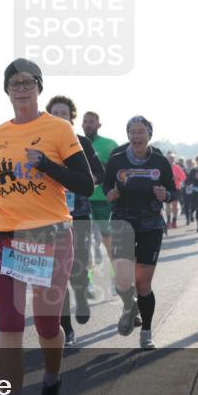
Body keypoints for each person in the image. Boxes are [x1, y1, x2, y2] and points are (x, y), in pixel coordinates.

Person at [0, 58, 93, 395]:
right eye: (14, 82)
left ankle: (52, 380)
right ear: (6, 89)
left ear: (39, 87)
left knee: (46, 325)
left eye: (28, 82)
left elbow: (86, 184)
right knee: (9, 323)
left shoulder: (58, 129)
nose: (21, 88)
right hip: (4, 234)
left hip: (50, 235)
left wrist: (47, 165)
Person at [103, 116, 176, 350]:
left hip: (151, 225)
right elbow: (106, 186)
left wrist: (166, 195)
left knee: (143, 283)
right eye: (132, 132)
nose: (136, 136)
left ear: (149, 135)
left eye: (141, 132)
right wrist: (110, 194)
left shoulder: (160, 162)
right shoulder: (116, 160)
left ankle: (146, 332)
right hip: (123, 223)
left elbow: (173, 190)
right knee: (123, 282)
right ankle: (128, 305)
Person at [45, 96, 102, 347]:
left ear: (71, 118)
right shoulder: (40, 142)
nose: (59, 117)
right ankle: (65, 328)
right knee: (56, 275)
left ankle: (81, 293)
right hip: (48, 216)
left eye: (64, 113)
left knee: (76, 268)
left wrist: (83, 179)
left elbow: (99, 173)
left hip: (77, 214)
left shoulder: (82, 143)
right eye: (54, 113)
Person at [80, 111, 117, 285]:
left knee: (108, 240)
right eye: (85, 122)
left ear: (99, 125)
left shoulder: (109, 144)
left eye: (92, 122)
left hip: (103, 200)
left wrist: (100, 164)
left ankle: (115, 275)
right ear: (81, 125)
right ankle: (88, 282)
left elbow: (117, 170)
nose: (88, 125)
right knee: (85, 245)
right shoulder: (74, 142)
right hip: (82, 200)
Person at [184, 155, 198, 232]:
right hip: (195, 192)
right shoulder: (194, 170)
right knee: (197, 209)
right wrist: (186, 182)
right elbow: (188, 181)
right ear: (196, 161)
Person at [166, 152, 185, 229]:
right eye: (169, 159)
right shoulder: (164, 167)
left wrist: (177, 178)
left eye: (172, 159)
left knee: (174, 205)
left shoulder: (177, 167)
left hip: (176, 188)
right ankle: (168, 221)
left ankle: (174, 220)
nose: (171, 160)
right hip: (167, 188)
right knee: (167, 205)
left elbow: (183, 177)